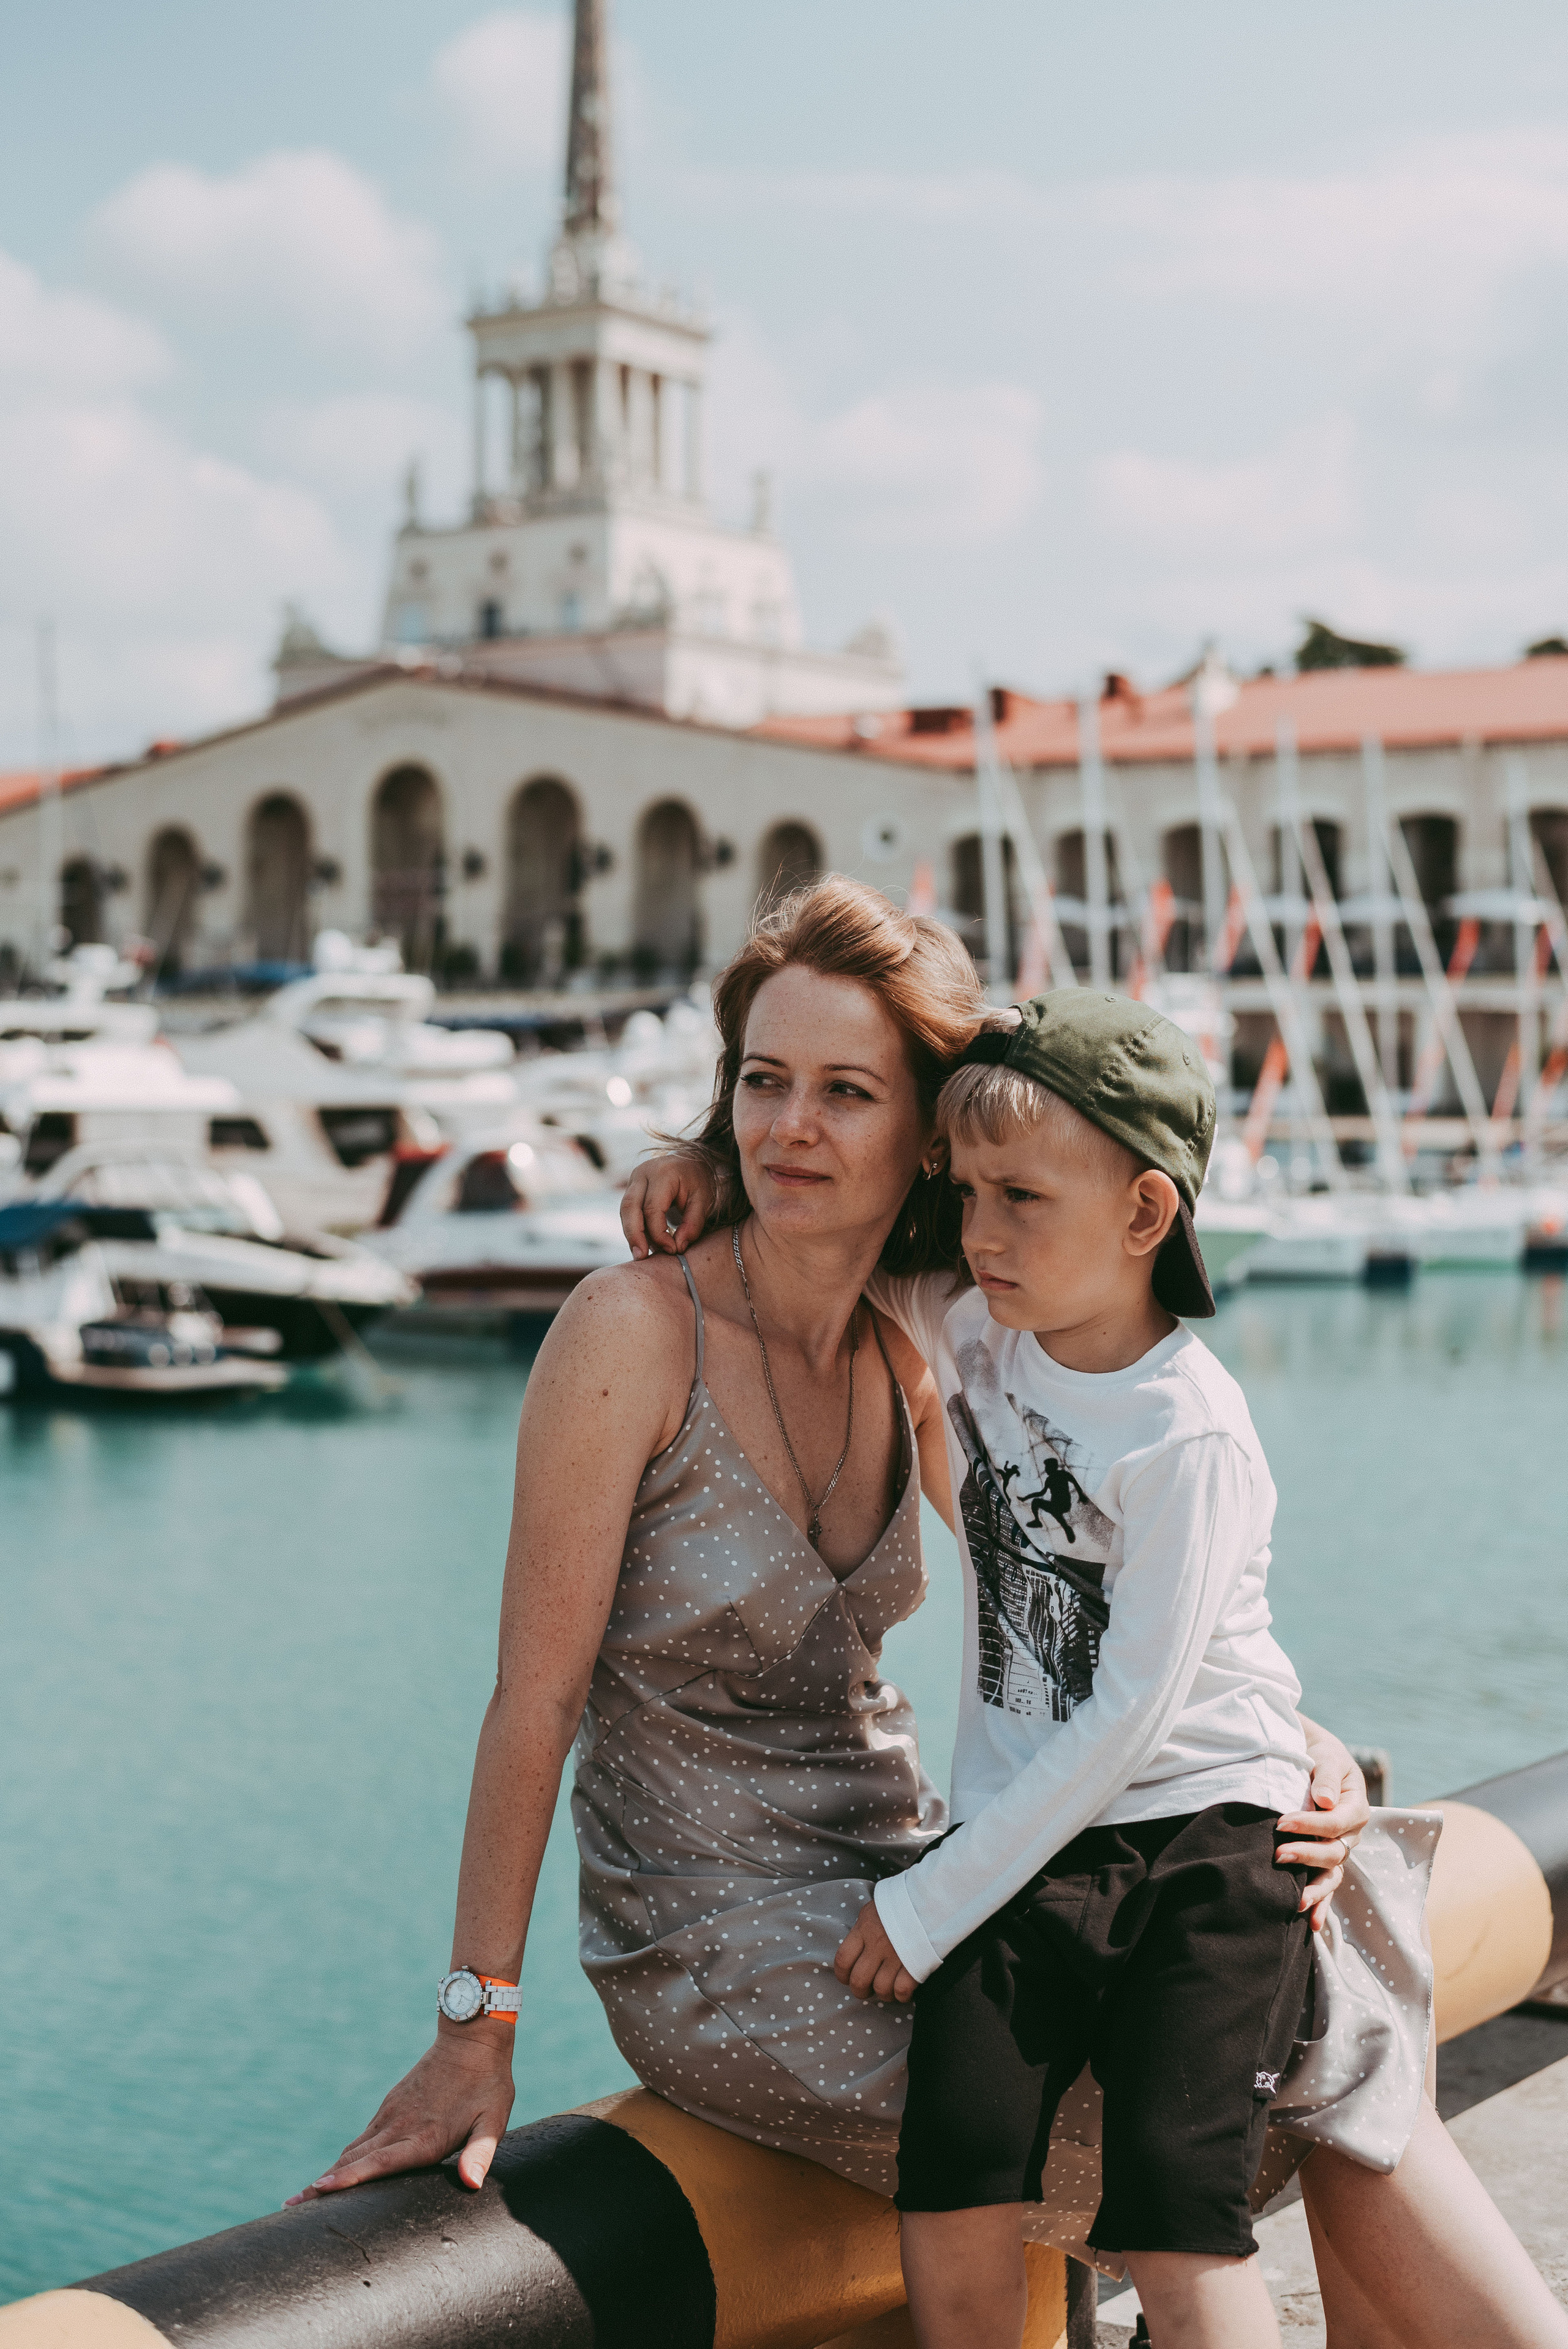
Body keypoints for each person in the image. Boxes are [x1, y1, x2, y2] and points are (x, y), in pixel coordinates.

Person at [292, 879, 1564, 2349]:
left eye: (845, 1093)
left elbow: (1087, 1612)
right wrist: (474, 2028)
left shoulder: (937, 1343)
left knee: (1308, 1951)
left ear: (930, 1131)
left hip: (925, 1862)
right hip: (716, 1927)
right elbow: (533, 1700)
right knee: (1250, 2073)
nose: (788, 1131)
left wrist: (1293, 1746)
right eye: (761, 1084)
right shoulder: (631, 1332)